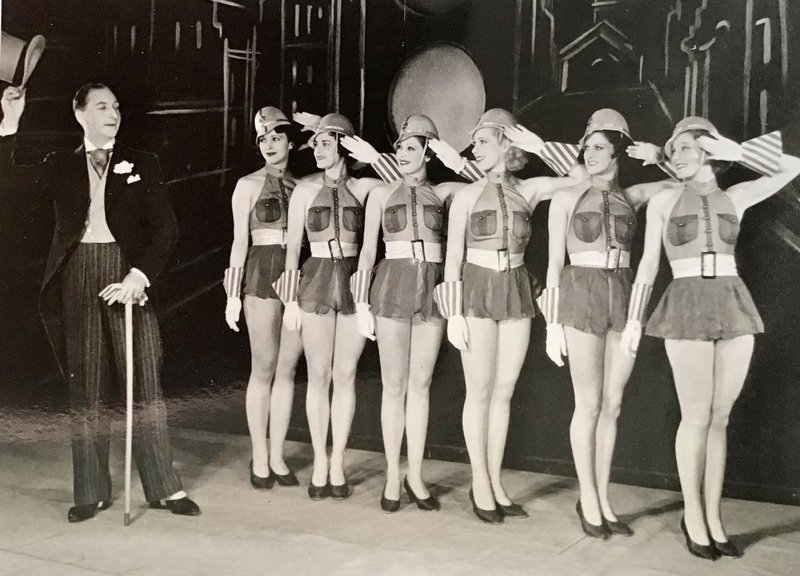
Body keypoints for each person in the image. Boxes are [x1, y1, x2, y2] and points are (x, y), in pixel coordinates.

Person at [0, 83, 200, 521]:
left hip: (129, 272)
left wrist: (138, 275)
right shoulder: (60, 164)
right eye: (102, 106)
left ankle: (164, 488)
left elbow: (166, 230)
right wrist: (10, 122)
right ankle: (90, 491)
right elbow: (8, 182)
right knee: (86, 385)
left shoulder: (144, 163)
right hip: (78, 272)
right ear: (80, 114)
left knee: (145, 382)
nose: (113, 113)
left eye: (116, 106)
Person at [620, 117, 799, 559]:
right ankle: (694, 515)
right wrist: (633, 320)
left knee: (720, 418)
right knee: (696, 416)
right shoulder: (664, 200)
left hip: (732, 300)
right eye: (671, 149)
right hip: (686, 302)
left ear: (709, 150)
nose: (675, 154)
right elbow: (648, 265)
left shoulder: (736, 196)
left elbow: (794, 166)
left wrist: (736, 152)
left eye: (686, 146)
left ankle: (714, 516)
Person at [434, 108, 585, 524]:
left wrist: (543, 149)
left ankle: (495, 481)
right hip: (476, 288)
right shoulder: (466, 196)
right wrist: (453, 314)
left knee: (504, 392)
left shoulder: (530, 189)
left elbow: (582, 180)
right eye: (474, 143)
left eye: (483, 141)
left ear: (506, 143)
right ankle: (479, 482)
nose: (474, 149)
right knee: (479, 390)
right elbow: (452, 260)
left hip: (516, 286)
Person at [541, 109, 679, 538]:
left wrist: (661, 157)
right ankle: (588, 498)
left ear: (619, 150)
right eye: (588, 147)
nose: (591, 153)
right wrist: (552, 323)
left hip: (621, 291)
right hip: (580, 291)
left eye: (600, 146)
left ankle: (602, 498)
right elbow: (553, 265)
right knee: (588, 403)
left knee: (612, 404)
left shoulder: (633, 196)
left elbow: (685, 185)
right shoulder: (566, 197)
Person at [349, 115, 464, 513]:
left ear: (429, 153)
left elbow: (487, 183)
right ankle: (392, 477)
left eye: (412, 148)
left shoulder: (446, 192)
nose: (402, 153)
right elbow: (367, 250)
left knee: (421, 383)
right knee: (394, 384)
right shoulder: (381, 193)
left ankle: (416, 476)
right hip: (392, 283)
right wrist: (361, 302)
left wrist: (454, 160)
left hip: (431, 284)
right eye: (399, 147)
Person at [272, 113, 386, 501]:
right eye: (315, 144)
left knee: (345, 374)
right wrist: (290, 298)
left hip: (355, 278)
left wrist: (371, 157)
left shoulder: (367, 187)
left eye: (325, 143)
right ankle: (320, 461)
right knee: (318, 374)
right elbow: (292, 250)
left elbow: (403, 183)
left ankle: (338, 462)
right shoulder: (304, 190)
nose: (317, 150)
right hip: (316, 278)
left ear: (343, 145)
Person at [223, 107, 304, 489]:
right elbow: (239, 242)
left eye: (276, 137)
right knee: (264, 366)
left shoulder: (303, 186)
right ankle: (259, 455)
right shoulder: (248, 185)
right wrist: (232, 294)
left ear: (290, 142)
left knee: (287, 369)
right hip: (261, 271)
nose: (269, 144)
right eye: (263, 139)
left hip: (298, 274)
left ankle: (277, 455)